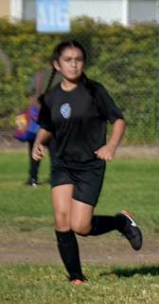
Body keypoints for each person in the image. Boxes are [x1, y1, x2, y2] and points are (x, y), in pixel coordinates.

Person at [32, 40, 144, 284]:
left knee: (81, 226)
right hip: (62, 163)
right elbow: (46, 127)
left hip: (89, 165)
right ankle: (76, 278)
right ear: (57, 64)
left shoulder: (94, 91)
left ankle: (121, 221)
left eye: (78, 59)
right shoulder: (51, 98)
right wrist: (39, 142)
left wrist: (111, 146)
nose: (74, 64)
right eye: (68, 60)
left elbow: (119, 120)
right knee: (62, 219)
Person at [22, 60, 60, 187]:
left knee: (35, 147)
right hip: (56, 117)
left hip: (37, 116)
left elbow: (28, 91)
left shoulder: (39, 76)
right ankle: (55, 177)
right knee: (55, 150)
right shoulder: (64, 77)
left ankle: (33, 178)